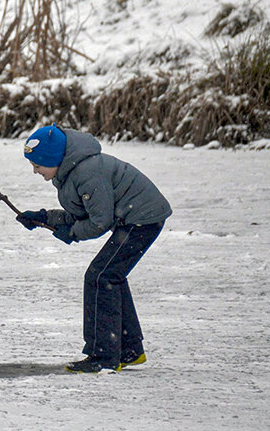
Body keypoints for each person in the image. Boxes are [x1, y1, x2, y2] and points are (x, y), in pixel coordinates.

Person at [16, 125, 171, 373]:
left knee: (102, 276)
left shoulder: (87, 172)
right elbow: (81, 214)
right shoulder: (69, 172)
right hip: (131, 219)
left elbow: (99, 221)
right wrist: (45, 218)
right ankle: (130, 350)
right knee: (109, 275)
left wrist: (72, 234)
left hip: (143, 218)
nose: (34, 171)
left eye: (37, 165)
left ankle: (104, 357)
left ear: (53, 159)